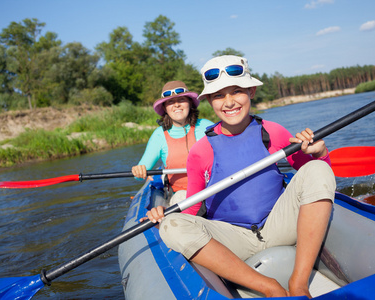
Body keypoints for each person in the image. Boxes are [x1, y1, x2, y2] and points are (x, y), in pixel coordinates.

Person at [142, 56, 336, 298]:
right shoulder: (200, 151)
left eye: (237, 91)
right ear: (209, 101)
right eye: (219, 95)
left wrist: (321, 154)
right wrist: (163, 215)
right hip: (233, 239)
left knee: (317, 168)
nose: (229, 102)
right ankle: (270, 287)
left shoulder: (273, 131)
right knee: (172, 225)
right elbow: (192, 208)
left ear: (251, 91)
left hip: (279, 226)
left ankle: (299, 282)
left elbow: (313, 176)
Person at [132, 81, 214, 203]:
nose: (176, 105)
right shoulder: (159, 135)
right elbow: (139, 175)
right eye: (170, 102)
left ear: (189, 103)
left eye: (181, 100)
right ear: (165, 108)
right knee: (182, 197)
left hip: (212, 188)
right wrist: (138, 171)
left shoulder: (206, 126)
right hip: (182, 196)